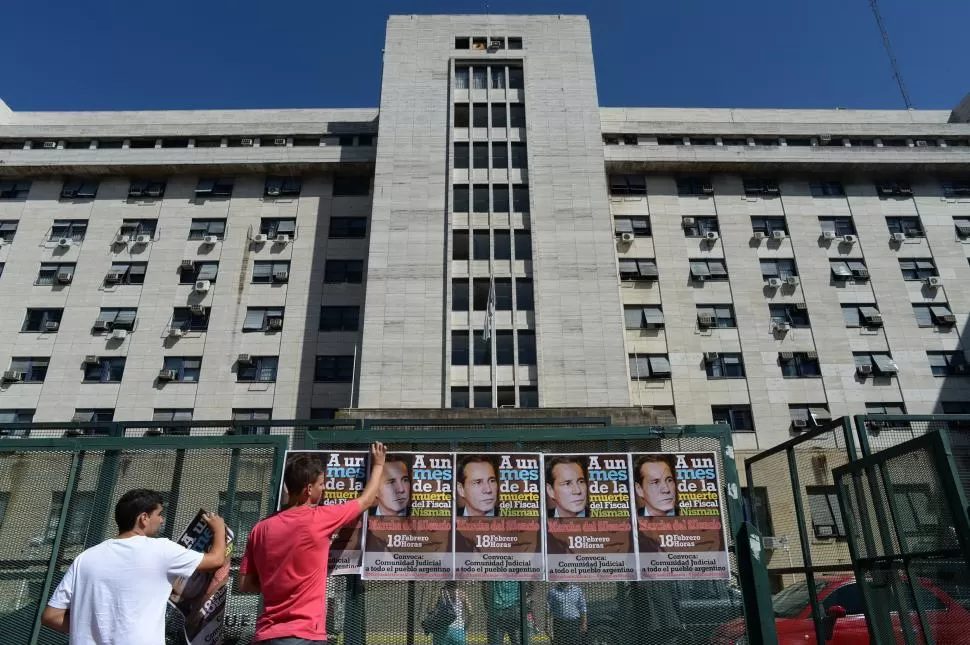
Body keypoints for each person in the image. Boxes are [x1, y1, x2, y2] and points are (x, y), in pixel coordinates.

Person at [238, 442, 387, 644]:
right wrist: (378, 465)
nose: (324, 488)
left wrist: (278, 585)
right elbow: (366, 500)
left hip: (266, 635)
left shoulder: (260, 529)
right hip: (306, 635)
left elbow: (245, 584)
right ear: (309, 489)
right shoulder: (318, 519)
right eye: (321, 484)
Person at [41, 489, 227, 644]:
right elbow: (216, 560)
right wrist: (218, 529)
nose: (162, 520)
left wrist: (89, 629)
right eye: (159, 514)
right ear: (143, 518)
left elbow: (51, 616)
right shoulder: (161, 549)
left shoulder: (85, 558)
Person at [483, 581, 533, 645]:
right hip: (517, 608)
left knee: (495, 641)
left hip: (497, 608)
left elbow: (485, 586)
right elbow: (531, 584)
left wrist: (488, 606)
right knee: (519, 641)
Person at [432, 580, 471, 645]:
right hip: (458, 629)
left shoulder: (439, 594)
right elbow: (470, 613)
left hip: (441, 629)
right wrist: (464, 628)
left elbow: (430, 609)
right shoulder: (462, 595)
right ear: (456, 583)